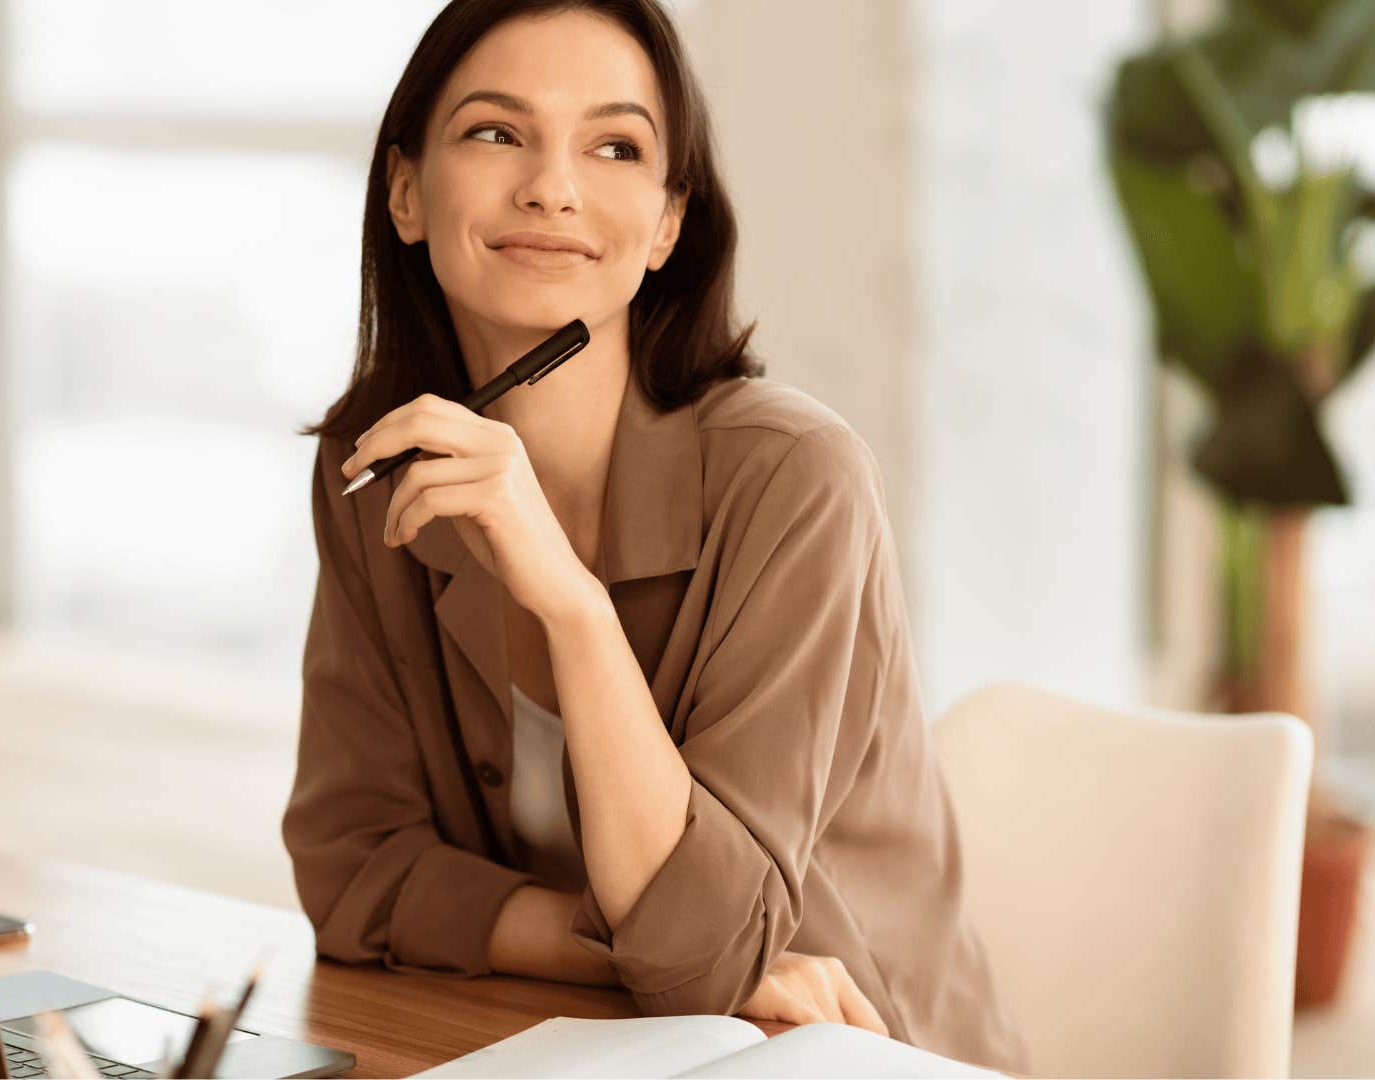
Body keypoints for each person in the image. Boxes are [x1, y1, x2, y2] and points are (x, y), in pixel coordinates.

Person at [283, 1, 1030, 1072]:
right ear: (406, 190)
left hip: (846, 1052)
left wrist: (570, 602)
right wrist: (609, 954)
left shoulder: (797, 480)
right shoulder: (381, 465)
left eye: (616, 146)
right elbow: (352, 874)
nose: (552, 185)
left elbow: (703, 951)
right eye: (497, 132)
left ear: (671, 221)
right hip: (580, 1045)